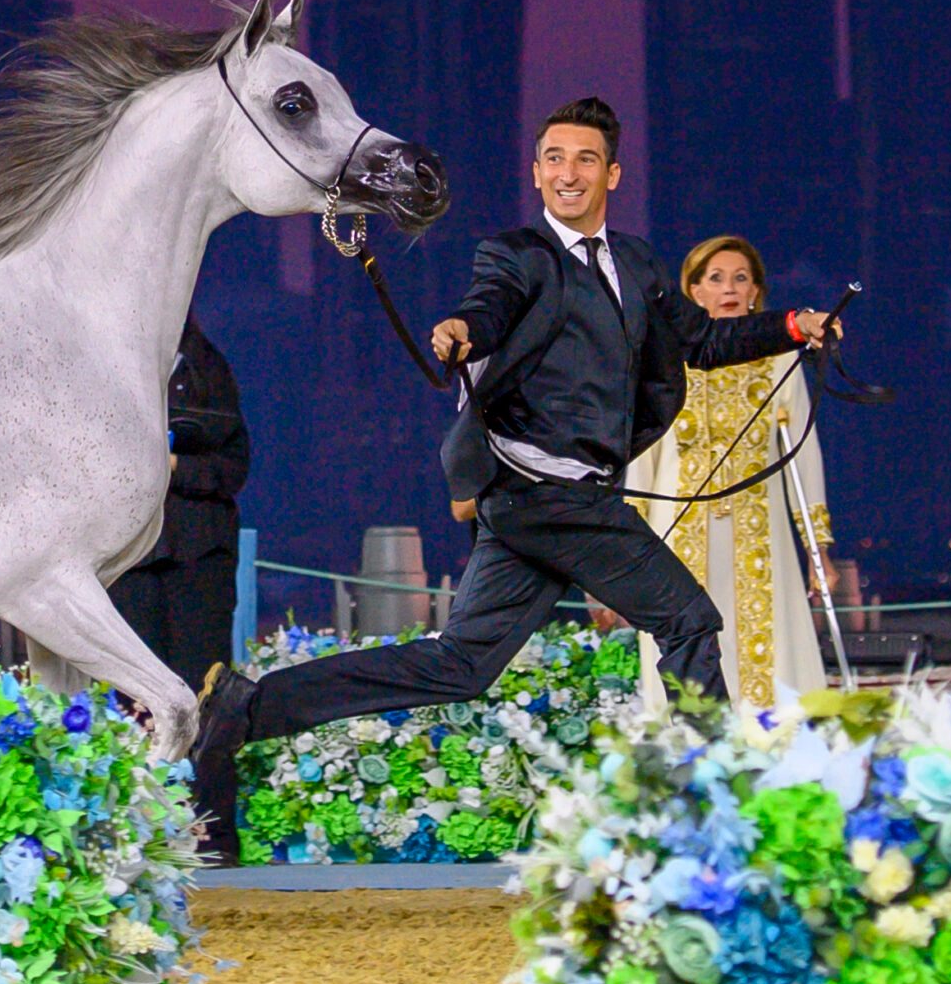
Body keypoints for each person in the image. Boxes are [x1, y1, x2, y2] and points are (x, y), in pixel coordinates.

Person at [190, 97, 834, 858]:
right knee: (689, 620)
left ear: (613, 173)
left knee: (460, 665)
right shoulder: (518, 255)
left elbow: (700, 339)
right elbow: (487, 308)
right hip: (546, 494)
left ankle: (242, 707)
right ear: (536, 174)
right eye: (555, 158)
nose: (569, 172)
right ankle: (710, 814)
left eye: (585, 158)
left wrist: (792, 325)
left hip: (549, 503)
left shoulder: (638, 265)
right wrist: (463, 330)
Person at [619, 234, 833, 709]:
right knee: (682, 640)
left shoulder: (778, 356)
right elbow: (641, 459)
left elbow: (803, 452)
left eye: (741, 278)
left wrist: (817, 549)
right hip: (676, 533)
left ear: (756, 291)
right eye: (715, 278)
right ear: (694, 291)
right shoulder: (665, 356)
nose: (729, 288)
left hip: (761, 532)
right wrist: (623, 549)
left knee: (767, 644)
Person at [108, 313, 250, 693]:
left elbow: (234, 468)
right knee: (134, 692)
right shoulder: (106, 364)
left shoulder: (206, 367)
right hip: (128, 560)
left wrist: (172, 465)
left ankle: (205, 752)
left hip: (199, 553)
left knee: (202, 685)